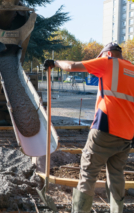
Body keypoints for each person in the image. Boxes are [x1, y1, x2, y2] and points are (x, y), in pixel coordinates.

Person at [44, 42, 134, 213]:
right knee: (116, 175)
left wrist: (54, 63)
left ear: (106, 53)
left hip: (105, 129)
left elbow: (71, 66)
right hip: (127, 134)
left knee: (88, 173)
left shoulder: (108, 62)